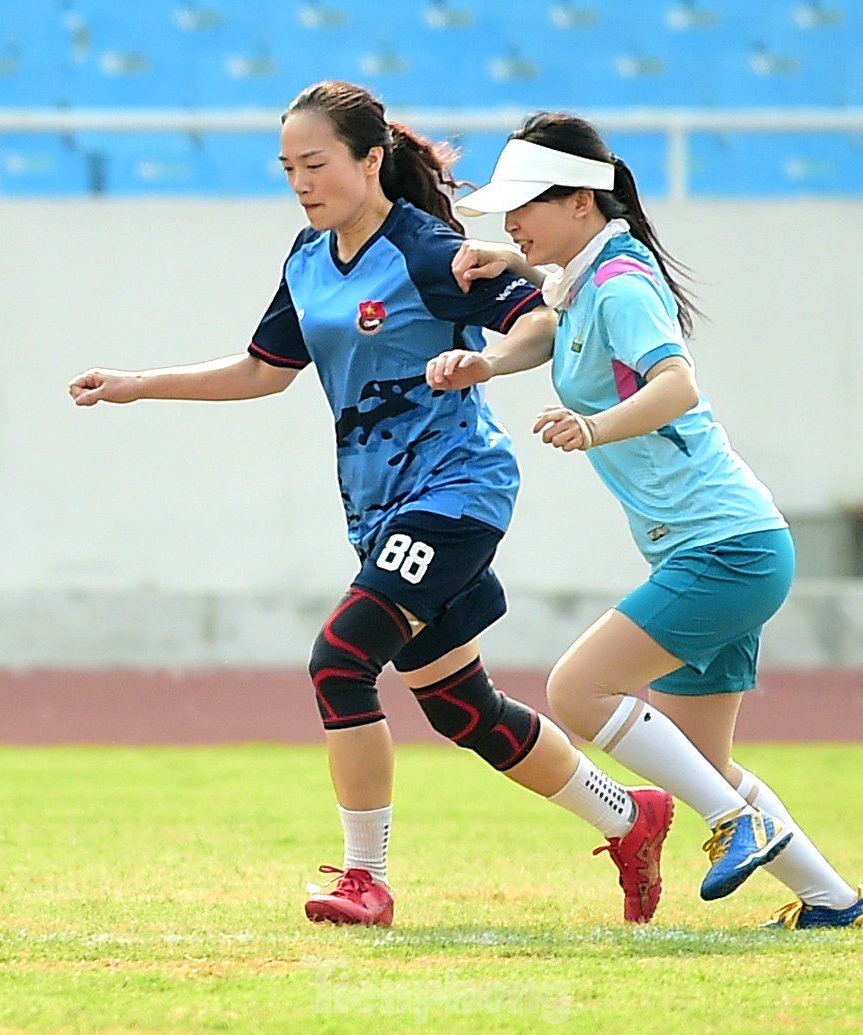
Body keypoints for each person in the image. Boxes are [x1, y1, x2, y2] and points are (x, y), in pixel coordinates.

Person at [68, 81, 685, 928]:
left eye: (314, 163)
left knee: (339, 659)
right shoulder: (308, 257)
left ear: (368, 159)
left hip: (455, 492)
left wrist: (493, 357)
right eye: (287, 168)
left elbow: (538, 316)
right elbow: (262, 370)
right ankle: (629, 816)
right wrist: (139, 385)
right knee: (459, 705)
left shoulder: (429, 250)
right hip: (379, 510)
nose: (301, 182)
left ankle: (365, 879)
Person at [433, 112, 863, 928]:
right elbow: (561, 317)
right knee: (701, 760)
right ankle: (831, 899)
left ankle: (736, 823)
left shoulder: (620, 285)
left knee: (577, 687)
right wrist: (491, 350)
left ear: (580, 202)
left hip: (722, 550)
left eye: (524, 206)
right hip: (735, 543)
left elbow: (676, 385)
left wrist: (592, 427)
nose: (511, 222)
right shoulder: (596, 272)